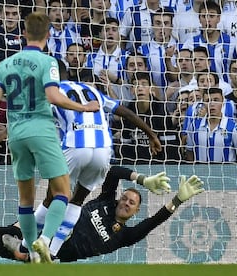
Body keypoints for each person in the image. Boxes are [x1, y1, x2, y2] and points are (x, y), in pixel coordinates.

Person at [0, 166, 204, 262]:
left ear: (134, 212)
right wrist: (141, 180)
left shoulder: (128, 235)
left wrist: (177, 198)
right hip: (45, 229)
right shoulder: (105, 202)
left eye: (133, 203)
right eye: (126, 198)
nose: (127, 202)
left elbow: (157, 220)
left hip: (52, 253)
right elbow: (114, 172)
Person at [0, 12, 99, 264]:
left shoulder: (6, 64)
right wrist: (83, 108)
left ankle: (32, 254)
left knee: (26, 199)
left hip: (16, 134)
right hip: (42, 131)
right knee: (63, 193)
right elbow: (54, 97)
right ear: (48, 35)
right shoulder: (49, 62)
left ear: (24, 34)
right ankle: (44, 241)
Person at [25, 61, 162, 259]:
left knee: (53, 198)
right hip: (103, 150)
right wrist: (151, 134)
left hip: (76, 146)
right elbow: (125, 112)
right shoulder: (91, 90)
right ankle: (52, 253)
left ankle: (31, 245)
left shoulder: (50, 93)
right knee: (77, 200)